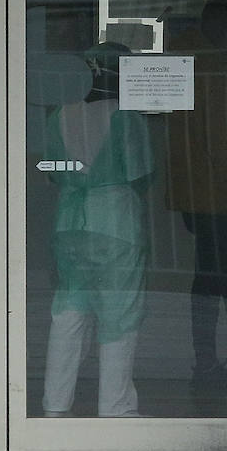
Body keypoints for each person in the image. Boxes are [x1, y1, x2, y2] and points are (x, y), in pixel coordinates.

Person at [42, 42, 155, 418]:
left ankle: (55, 403)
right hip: (116, 222)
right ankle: (115, 405)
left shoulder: (58, 114)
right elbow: (142, 174)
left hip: (69, 222)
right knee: (119, 313)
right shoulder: (127, 117)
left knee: (69, 310)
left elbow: (52, 173)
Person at [166, 0, 227, 382]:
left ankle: (214, 360)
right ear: (220, 30)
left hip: (194, 194)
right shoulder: (213, 77)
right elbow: (224, 144)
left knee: (213, 277)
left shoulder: (188, 67)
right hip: (216, 195)